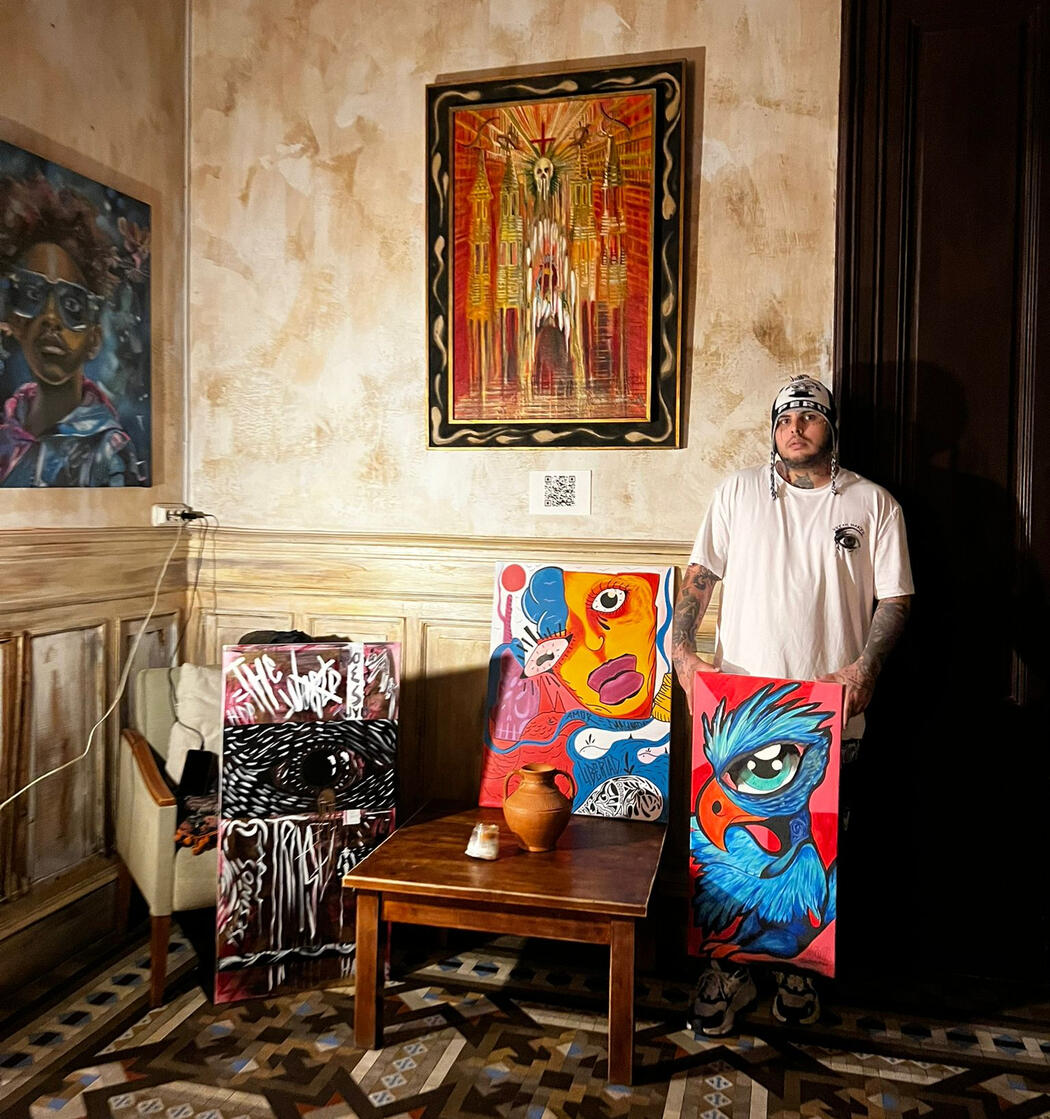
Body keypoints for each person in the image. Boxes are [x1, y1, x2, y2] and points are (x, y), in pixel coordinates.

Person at [672, 374, 913, 1035]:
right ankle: (727, 968)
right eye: (785, 417)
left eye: (810, 415)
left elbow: (895, 597)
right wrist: (681, 650)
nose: (796, 426)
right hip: (740, 712)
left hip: (828, 712)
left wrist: (868, 665)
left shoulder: (873, 503)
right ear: (772, 429)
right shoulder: (736, 493)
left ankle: (796, 971)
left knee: (816, 849)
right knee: (729, 849)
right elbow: (699, 580)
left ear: (831, 426)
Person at [0, 175, 143, 486]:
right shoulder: (7, 432)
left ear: (93, 339)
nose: (50, 318)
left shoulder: (108, 452)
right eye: (33, 295)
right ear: (15, 321)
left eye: (72, 305)